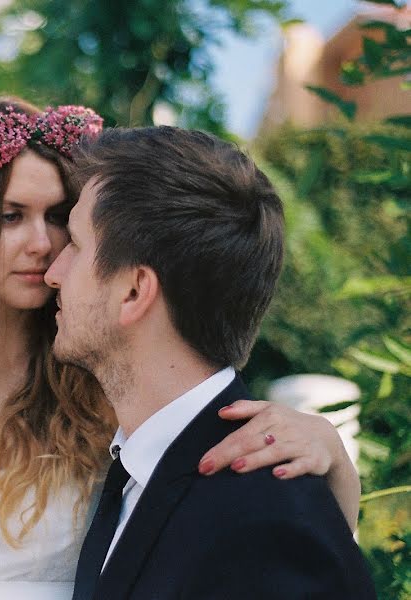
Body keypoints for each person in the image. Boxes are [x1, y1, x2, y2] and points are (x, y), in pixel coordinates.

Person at [0, 97, 362, 600]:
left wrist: (332, 457)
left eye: (58, 219)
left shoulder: (103, 381)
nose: (43, 245)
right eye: (11, 215)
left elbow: (215, 506)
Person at [47, 126, 375, 599]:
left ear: (134, 291)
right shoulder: (137, 474)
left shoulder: (268, 521)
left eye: (75, 244)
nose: (54, 273)